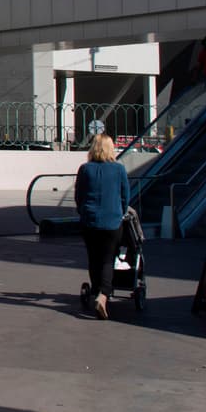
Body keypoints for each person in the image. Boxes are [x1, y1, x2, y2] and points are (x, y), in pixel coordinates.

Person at [74, 134, 130, 320]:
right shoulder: (118, 169)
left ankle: (96, 290)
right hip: (112, 221)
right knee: (107, 259)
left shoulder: (85, 169)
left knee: (94, 258)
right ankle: (104, 295)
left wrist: (82, 210)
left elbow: (79, 194)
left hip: (90, 219)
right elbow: (125, 196)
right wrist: (120, 212)